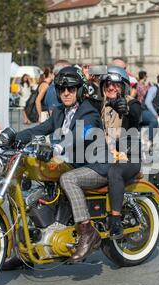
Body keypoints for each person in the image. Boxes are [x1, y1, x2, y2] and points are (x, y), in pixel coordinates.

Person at [16, 66, 110, 263]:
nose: (66, 93)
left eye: (71, 88)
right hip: (74, 164)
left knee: (67, 179)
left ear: (80, 90)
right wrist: (12, 136)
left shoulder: (89, 112)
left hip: (96, 167)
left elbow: (79, 135)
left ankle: (87, 232)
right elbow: (41, 128)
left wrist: (57, 149)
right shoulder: (59, 113)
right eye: (61, 89)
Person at [98, 66, 142, 239]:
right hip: (104, 155)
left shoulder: (131, 102)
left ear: (123, 86)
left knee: (115, 171)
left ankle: (115, 221)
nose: (111, 87)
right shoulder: (102, 105)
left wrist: (126, 109)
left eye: (116, 84)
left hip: (129, 157)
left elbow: (137, 114)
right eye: (107, 84)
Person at [141, 73, 159, 143]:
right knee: (154, 120)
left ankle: (155, 142)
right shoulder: (154, 88)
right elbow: (147, 102)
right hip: (143, 111)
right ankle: (148, 140)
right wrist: (155, 114)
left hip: (150, 112)